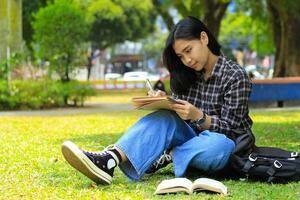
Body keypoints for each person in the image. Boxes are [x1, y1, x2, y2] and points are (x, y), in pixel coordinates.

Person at [61, 16, 253, 185]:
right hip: (193, 140)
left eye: (189, 50)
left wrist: (200, 116)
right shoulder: (188, 74)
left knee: (218, 146)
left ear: (204, 38)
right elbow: (181, 119)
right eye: (181, 56)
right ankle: (109, 160)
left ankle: (168, 154)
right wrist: (168, 103)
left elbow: (233, 130)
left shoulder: (235, 75)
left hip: (226, 146)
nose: (186, 60)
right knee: (164, 116)